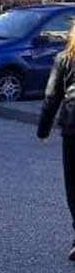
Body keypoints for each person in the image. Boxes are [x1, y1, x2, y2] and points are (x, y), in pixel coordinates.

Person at [37, 22, 75, 260]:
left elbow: (51, 97)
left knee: (74, 185)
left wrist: (43, 130)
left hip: (73, 126)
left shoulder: (64, 59)